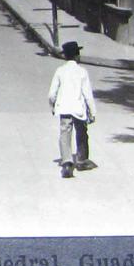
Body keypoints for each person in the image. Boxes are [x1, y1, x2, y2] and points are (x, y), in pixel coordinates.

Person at [48, 41, 97, 178]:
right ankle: (81, 160)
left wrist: (53, 107)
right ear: (76, 56)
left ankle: (67, 163)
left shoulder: (60, 71)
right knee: (82, 133)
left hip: (63, 108)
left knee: (65, 134)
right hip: (78, 109)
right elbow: (88, 95)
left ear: (65, 57)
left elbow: (52, 94)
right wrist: (92, 112)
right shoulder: (82, 72)